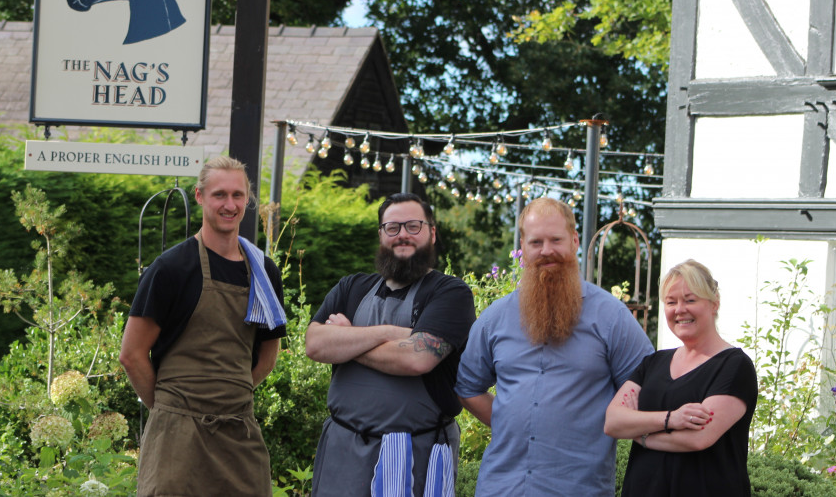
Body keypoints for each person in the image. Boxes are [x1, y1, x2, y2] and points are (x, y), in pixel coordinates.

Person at [455, 197, 653, 496]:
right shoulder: (496, 317)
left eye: (556, 240)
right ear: (523, 246)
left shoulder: (611, 317)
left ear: (574, 241)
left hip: (578, 488)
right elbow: (468, 387)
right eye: (536, 242)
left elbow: (647, 387)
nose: (546, 250)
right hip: (502, 487)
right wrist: (512, 421)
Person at [119, 155, 286, 497]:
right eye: (219, 195)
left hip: (239, 434)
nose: (230, 204)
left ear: (247, 199)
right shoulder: (171, 268)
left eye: (238, 195)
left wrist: (229, 395)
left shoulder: (263, 272)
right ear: (199, 196)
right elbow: (132, 354)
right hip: (176, 436)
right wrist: (172, 407)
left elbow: (269, 353)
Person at [305, 192, 476, 497]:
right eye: (392, 228)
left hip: (414, 457)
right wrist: (390, 334)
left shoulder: (450, 293)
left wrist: (348, 339)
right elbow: (315, 344)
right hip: (341, 454)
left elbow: (416, 360)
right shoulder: (351, 287)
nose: (403, 236)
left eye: (413, 226)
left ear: (432, 233)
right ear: (381, 235)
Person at [604, 259, 758, 497]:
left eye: (690, 300)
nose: (679, 309)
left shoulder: (734, 366)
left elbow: (698, 437)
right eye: (671, 301)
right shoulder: (653, 363)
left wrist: (640, 433)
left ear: (714, 303)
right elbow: (613, 421)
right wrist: (671, 419)